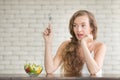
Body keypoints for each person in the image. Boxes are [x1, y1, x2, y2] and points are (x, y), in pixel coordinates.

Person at [43, 10, 106, 75]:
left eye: (83, 25)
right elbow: (49, 70)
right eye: (75, 25)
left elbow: (94, 71)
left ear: (91, 27)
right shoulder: (66, 45)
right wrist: (48, 42)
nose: (78, 30)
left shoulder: (100, 46)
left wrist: (83, 44)